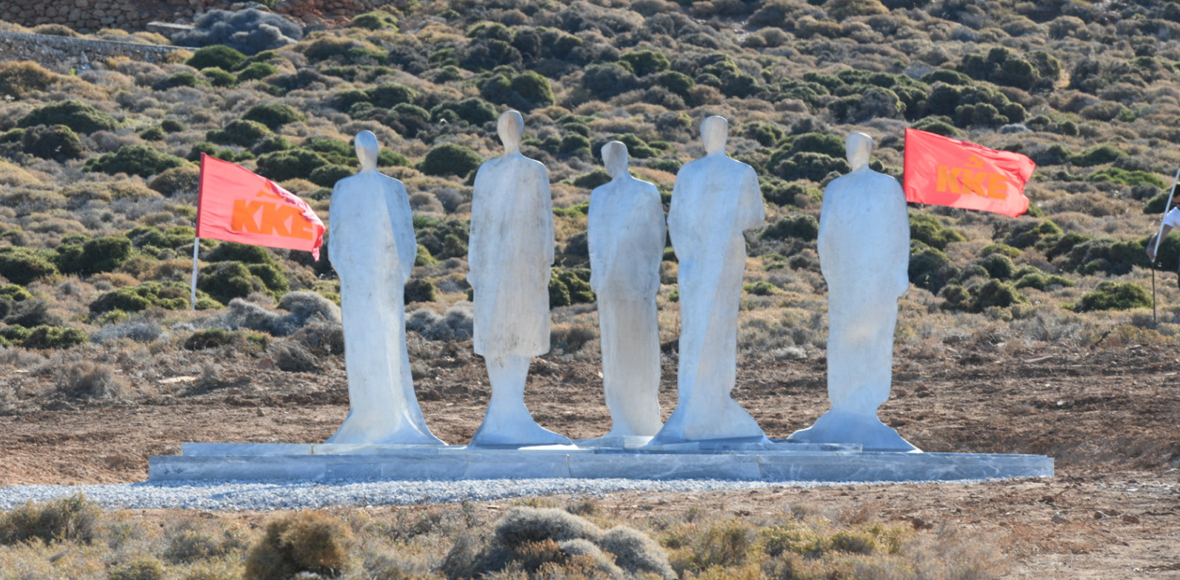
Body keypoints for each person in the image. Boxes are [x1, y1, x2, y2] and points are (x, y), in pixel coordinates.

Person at [788, 133, 916, 452]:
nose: (853, 153)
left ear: (870, 151)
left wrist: (899, 272)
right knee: (842, 337)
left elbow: (900, 232)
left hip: (876, 278)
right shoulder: (836, 187)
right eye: (848, 147)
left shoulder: (887, 186)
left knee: (874, 337)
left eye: (859, 147)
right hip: (845, 279)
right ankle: (843, 406)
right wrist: (831, 273)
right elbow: (825, 235)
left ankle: (866, 408)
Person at [649, 116, 767, 445]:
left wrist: (722, 221)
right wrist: (689, 256)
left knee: (722, 325)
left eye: (717, 131)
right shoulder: (690, 172)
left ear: (727, 134)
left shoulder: (742, 172)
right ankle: (696, 398)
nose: (712, 136)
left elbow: (755, 215)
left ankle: (717, 395)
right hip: (698, 259)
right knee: (698, 325)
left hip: (726, 255)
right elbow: (678, 219)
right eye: (707, 131)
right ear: (700, 135)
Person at [326, 131, 444, 445]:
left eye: (371, 147)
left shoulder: (394, 187)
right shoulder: (344, 188)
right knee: (361, 344)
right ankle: (365, 414)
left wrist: (398, 273)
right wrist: (346, 271)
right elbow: (335, 239)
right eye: (361, 148)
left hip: (385, 279)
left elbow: (406, 238)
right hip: (357, 279)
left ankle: (393, 416)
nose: (366, 152)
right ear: (355, 152)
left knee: (389, 345)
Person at [467, 111, 572, 447]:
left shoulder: (534, 170)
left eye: (515, 126)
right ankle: (505, 409)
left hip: (524, 264)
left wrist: (545, 263)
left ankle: (508, 409)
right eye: (504, 126)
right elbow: (477, 222)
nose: (510, 131)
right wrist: (475, 265)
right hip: (493, 265)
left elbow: (545, 222)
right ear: (497, 132)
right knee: (496, 333)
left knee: (521, 332)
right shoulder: (488, 171)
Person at [588, 141, 665, 438]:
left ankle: (645, 416)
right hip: (609, 283)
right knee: (615, 351)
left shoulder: (646, 191)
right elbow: (594, 237)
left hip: (638, 280)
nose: (611, 162)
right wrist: (597, 273)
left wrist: (652, 271)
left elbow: (657, 235)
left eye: (613, 156)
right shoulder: (600, 195)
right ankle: (621, 418)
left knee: (641, 349)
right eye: (607, 157)